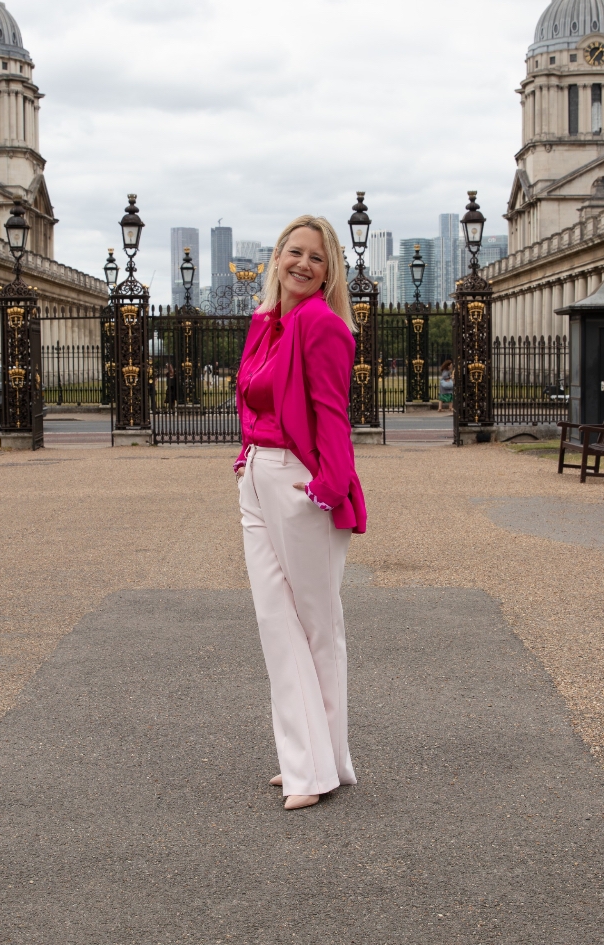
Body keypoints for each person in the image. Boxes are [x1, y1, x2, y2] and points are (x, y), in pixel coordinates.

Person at [234, 215, 367, 811]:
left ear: (329, 270)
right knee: (275, 620)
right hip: (258, 476)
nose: (303, 264)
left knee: (317, 625)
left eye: (317, 257)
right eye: (295, 252)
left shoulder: (322, 324)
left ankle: (320, 765)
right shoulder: (265, 322)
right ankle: (308, 757)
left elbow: (331, 412)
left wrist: (328, 487)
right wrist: (247, 456)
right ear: (277, 258)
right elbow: (254, 399)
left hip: (300, 482)